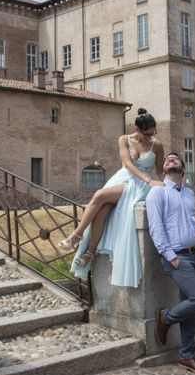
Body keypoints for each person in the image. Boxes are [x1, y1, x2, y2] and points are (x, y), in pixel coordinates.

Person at [57, 108, 164, 287]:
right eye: (146, 134)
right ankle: (89, 252)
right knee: (103, 210)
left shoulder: (157, 145)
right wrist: (147, 179)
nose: (149, 138)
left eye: (152, 133)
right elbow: (128, 164)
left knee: (99, 195)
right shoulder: (123, 139)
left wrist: (169, 184)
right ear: (137, 129)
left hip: (142, 185)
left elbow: (160, 171)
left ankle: (75, 236)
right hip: (124, 178)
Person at [146, 152, 195, 375]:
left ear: (183, 168)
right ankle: (166, 317)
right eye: (167, 159)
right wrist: (170, 256)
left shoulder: (189, 193)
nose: (170, 159)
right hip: (178, 257)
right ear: (163, 169)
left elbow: (194, 224)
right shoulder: (158, 192)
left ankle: (186, 355)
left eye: (175, 158)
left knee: (190, 307)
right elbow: (156, 227)